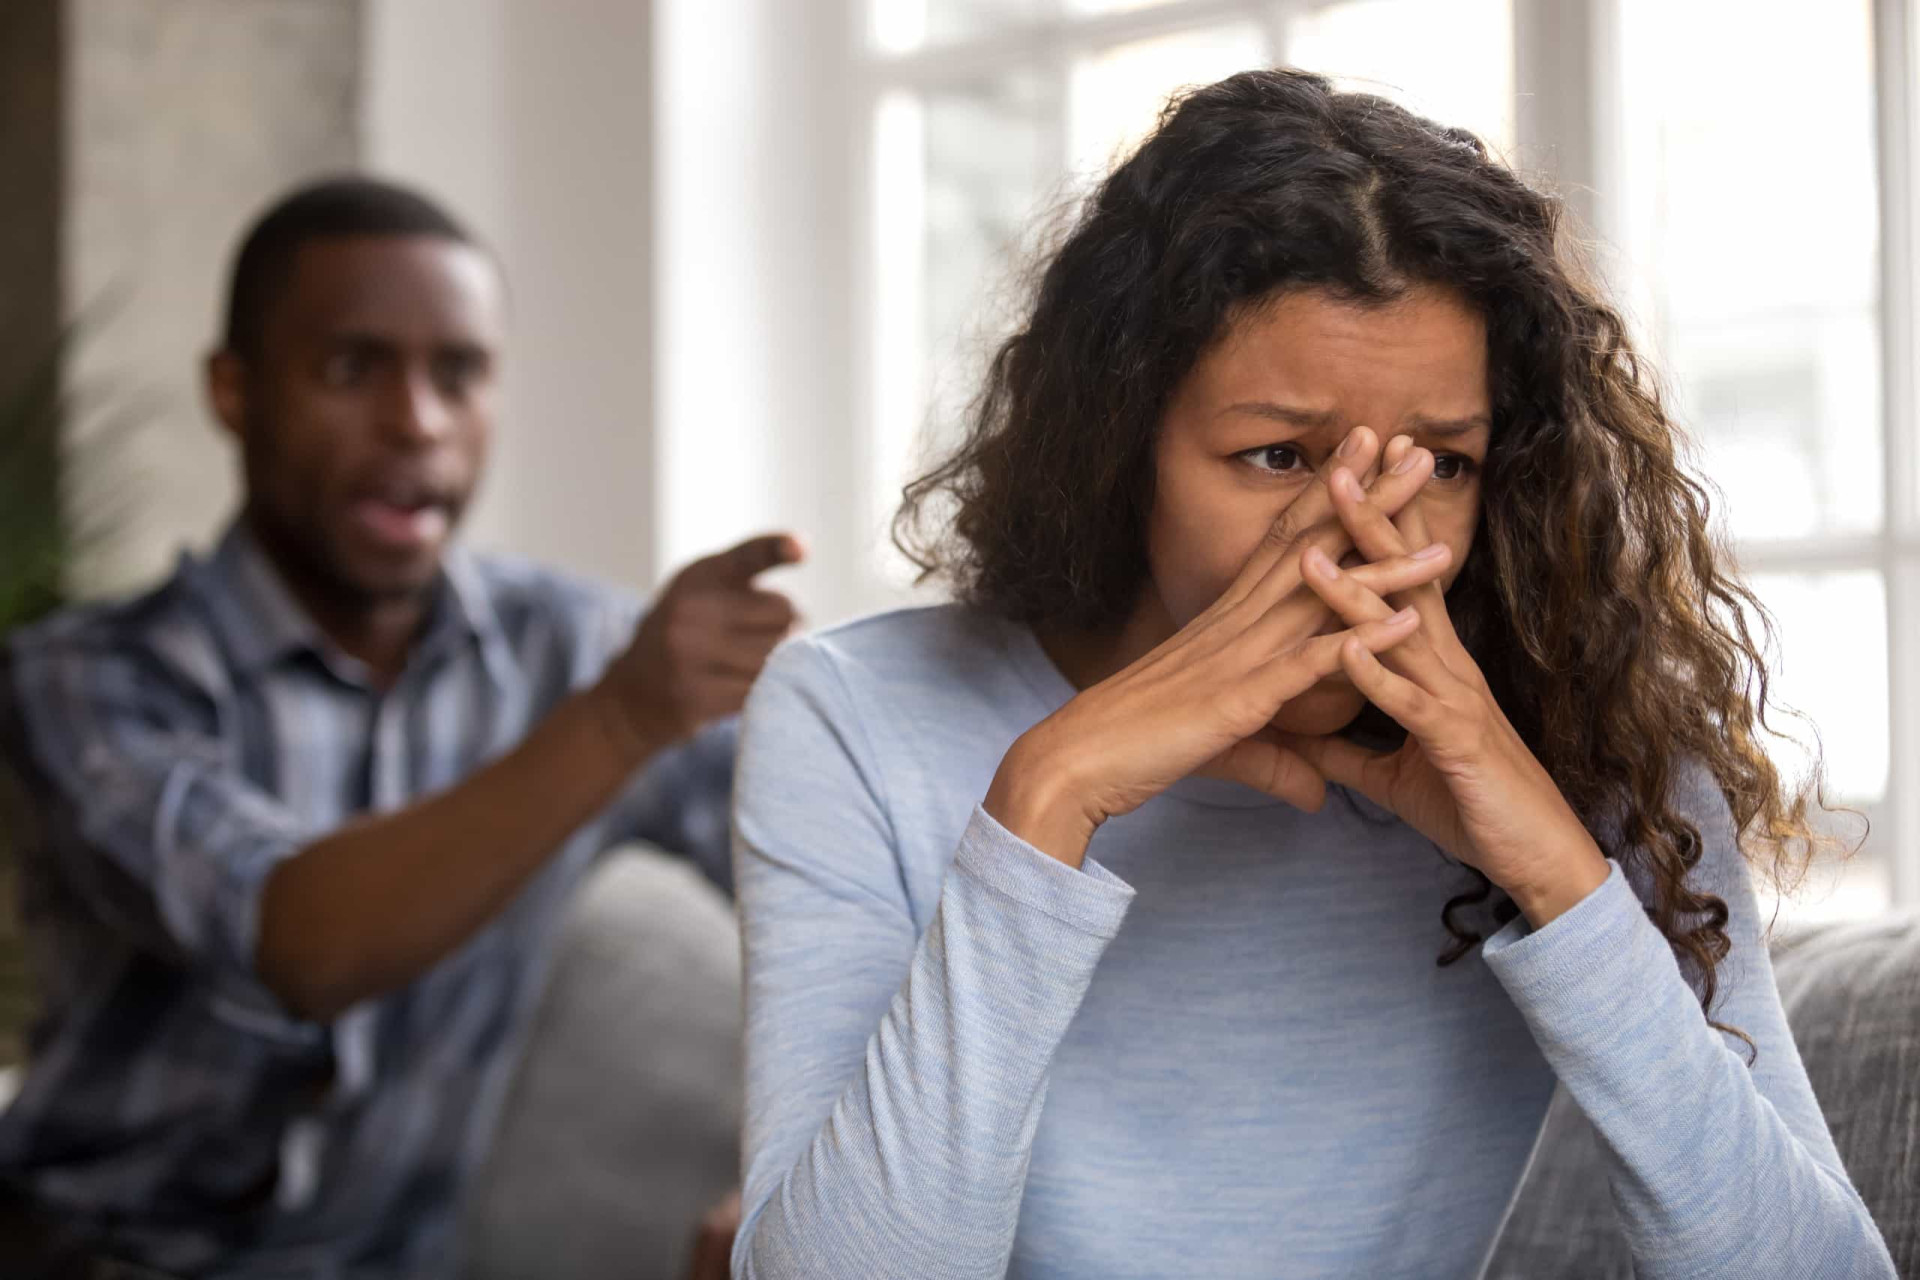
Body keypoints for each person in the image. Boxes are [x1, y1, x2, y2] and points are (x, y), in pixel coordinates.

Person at [729, 69, 1896, 1278]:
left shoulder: (1593, 730)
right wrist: (1047, 795)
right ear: (1124, 444)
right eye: (1279, 455)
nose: (1352, 541)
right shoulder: (854, 718)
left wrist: (1559, 870)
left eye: (1440, 464)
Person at [0, 178, 794, 1277]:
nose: (417, 420)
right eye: (350, 368)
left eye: (458, 374)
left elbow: (833, 879)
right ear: (234, 391)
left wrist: (803, 1176)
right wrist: (617, 718)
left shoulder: (573, 646)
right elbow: (299, 944)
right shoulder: (86, 679)